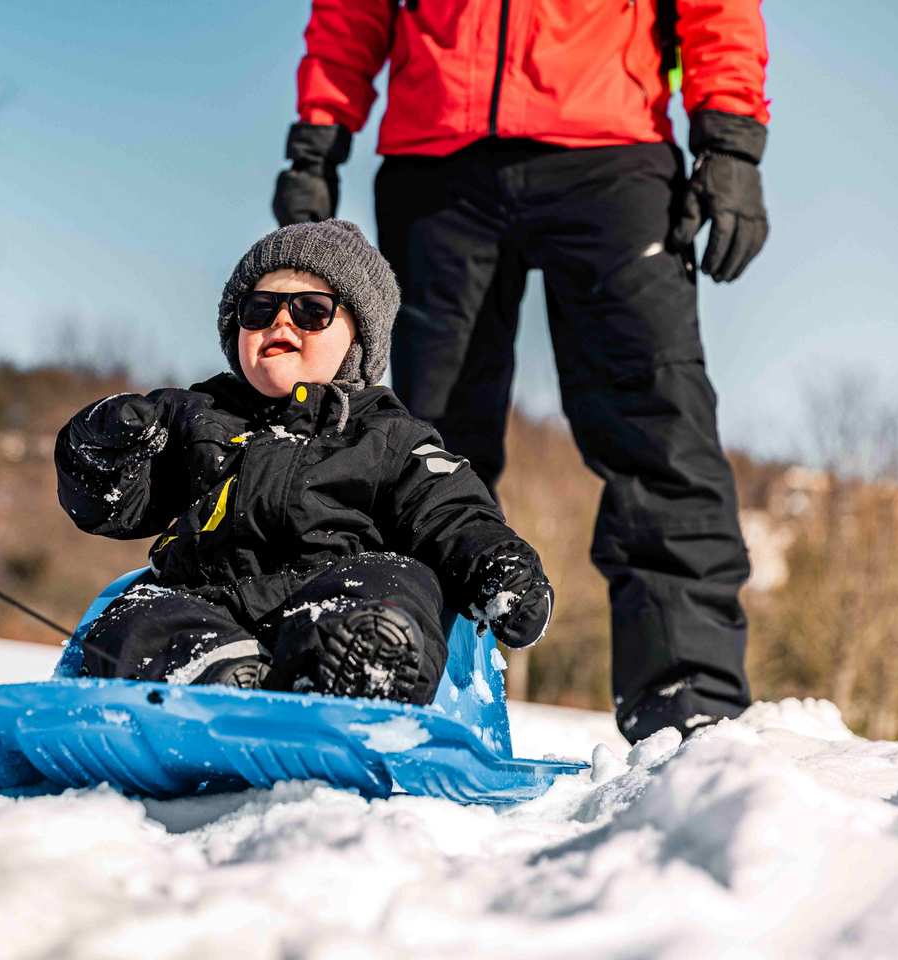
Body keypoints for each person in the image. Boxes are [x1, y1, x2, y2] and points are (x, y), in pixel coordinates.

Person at [271, 0, 769, 742]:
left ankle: (688, 702)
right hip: (438, 164)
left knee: (659, 430)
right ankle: (402, 680)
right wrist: (317, 141)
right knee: (415, 450)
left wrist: (729, 143)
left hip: (611, 149)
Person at [54, 220, 552, 702]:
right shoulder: (193, 416)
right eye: (260, 308)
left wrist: (500, 568)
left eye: (312, 311)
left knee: (400, 577)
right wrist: (101, 447)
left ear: (357, 342)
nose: (281, 321)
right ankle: (218, 678)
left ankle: (359, 669)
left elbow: (449, 510)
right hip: (207, 600)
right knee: (137, 613)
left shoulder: (389, 436)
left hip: (334, 598)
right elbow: (115, 504)